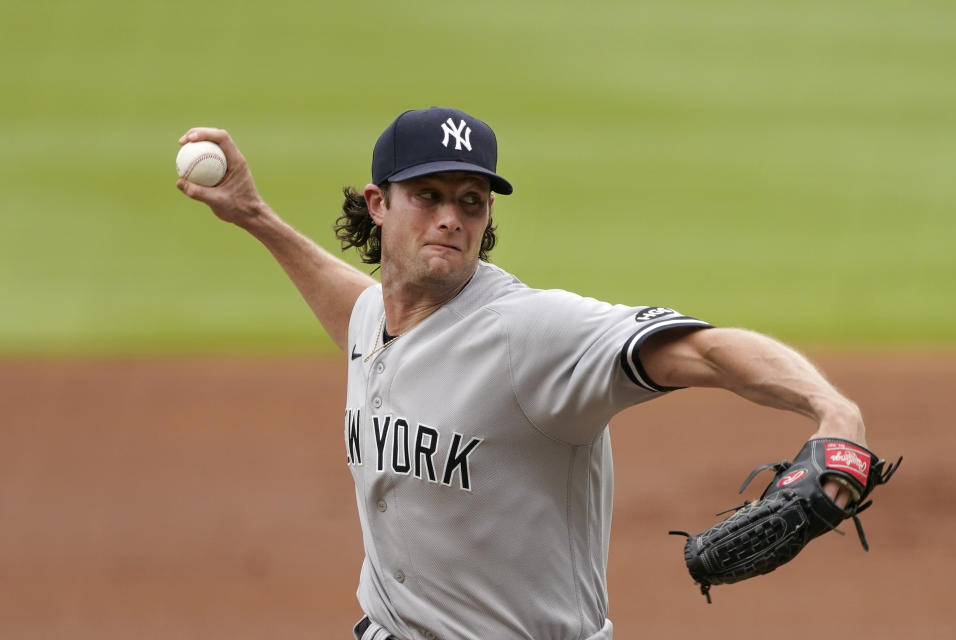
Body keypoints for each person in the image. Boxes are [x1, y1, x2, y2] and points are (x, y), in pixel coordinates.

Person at [177, 107, 866, 640]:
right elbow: (356, 305)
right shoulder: (377, 319)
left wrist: (833, 412)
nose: (451, 218)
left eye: (471, 200)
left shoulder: (532, 334)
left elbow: (708, 351)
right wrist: (255, 216)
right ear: (379, 204)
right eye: (429, 195)